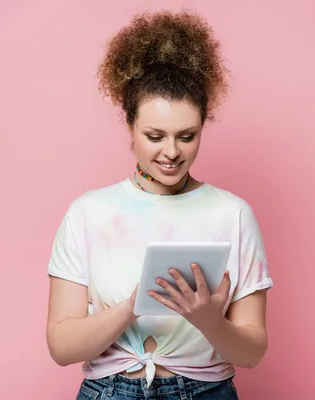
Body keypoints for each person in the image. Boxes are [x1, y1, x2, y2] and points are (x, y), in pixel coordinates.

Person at [45, 10, 273, 400]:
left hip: (205, 391)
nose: (171, 152)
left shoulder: (233, 214)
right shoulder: (88, 212)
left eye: (187, 136)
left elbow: (252, 353)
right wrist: (132, 306)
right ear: (130, 126)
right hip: (110, 391)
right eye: (155, 135)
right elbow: (62, 348)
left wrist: (208, 321)